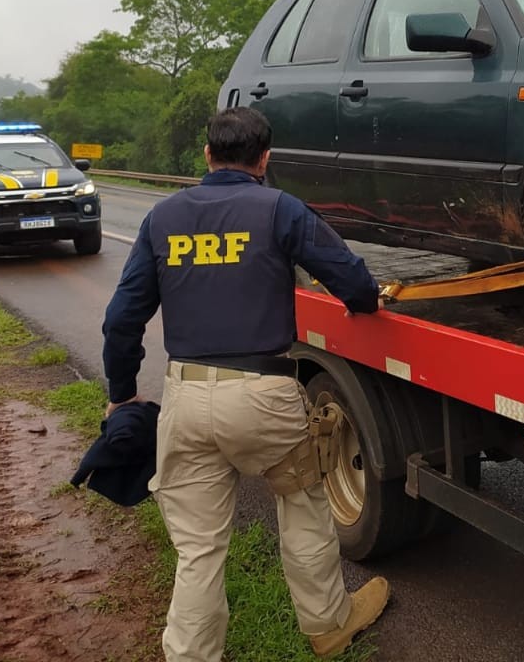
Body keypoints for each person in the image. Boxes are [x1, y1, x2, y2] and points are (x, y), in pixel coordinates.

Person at [101, 106, 389, 662]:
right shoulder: (281, 209)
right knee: (303, 502)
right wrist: (364, 302)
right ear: (265, 159)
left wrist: (121, 395)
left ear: (207, 155)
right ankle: (329, 625)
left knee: (199, 551)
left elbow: (121, 320)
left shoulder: (162, 218)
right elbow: (353, 282)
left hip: (185, 399)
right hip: (264, 396)